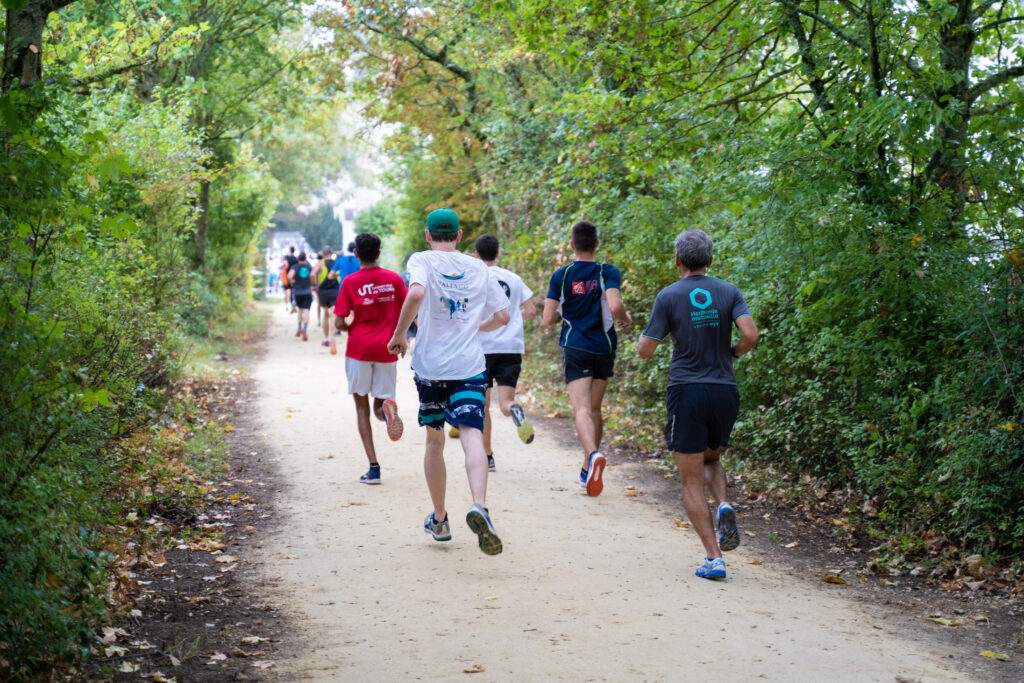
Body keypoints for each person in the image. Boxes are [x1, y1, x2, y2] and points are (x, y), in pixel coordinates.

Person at [387, 208, 510, 555]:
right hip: (469, 365)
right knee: (472, 434)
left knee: (434, 442)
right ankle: (480, 506)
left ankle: (440, 519)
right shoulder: (477, 267)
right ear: (458, 236)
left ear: (428, 235)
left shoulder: (422, 260)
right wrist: (474, 328)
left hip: (431, 367)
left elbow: (414, 295)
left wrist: (400, 335)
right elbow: (502, 315)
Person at [637, 229, 758, 581]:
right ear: (709, 260)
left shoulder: (668, 296)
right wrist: (732, 353)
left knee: (690, 481)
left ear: (678, 261)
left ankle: (714, 558)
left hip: (687, 392)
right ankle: (723, 504)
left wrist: (644, 341)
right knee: (712, 456)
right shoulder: (728, 291)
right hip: (725, 391)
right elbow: (750, 334)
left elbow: (646, 350)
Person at [542, 220, 632, 497]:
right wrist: (625, 319)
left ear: (572, 245)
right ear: (596, 243)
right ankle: (586, 469)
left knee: (581, 410)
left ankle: (592, 455)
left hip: (575, 345)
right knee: (594, 409)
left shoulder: (562, 274)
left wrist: (561, 316)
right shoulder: (608, 271)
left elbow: (548, 319)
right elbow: (615, 305)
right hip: (603, 347)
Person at [335, 233, 408, 484]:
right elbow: (410, 309)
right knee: (381, 402)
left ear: (356, 254)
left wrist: (351, 327)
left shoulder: (350, 282)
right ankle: (387, 414)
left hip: (359, 349)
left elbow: (339, 321)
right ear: (378, 254)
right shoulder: (394, 280)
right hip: (387, 349)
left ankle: (374, 468)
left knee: (361, 407)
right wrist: (402, 336)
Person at [474, 234, 536, 472]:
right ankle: (514, 410)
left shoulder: (475, 278)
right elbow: (530, 311)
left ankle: (488, 457)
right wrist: (513, 321)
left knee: (483, 404)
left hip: (482, 348)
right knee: (505, 402)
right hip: (511, 347)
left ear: (477, 255)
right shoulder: (514, 278)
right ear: (498, 253)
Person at [313, 246, 341, 351]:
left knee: (325, 315)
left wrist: (315, 285)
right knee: (334, 315)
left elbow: (312, 274)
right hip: (335, 291)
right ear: (331, 253)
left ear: (323, 254)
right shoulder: (336, 262)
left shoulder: (320, 263)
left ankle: (326, 339)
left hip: (323, 291)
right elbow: (340, 274)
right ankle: (333, 337)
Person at [289, 252, 315, 340]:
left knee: (300, 310)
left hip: (298, 292)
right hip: (307, 291)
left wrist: (292, 283)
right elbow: (312, 275)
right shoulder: (309, 267)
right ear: (305, 258)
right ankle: (305, 329)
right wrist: (312, 284)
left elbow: (289, 276)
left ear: (298, 259)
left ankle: (299, 328)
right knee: (306, 310)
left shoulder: (295, 267)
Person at [282, 247, 298, 313]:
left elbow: (284, 266)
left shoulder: (287, 258)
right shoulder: (296, 259)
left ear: (289, 251)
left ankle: (288, 305)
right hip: (294, 277)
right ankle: (294, 302)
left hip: (287, 277)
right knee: (294, 291)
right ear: (294, 251)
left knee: (287, 292)